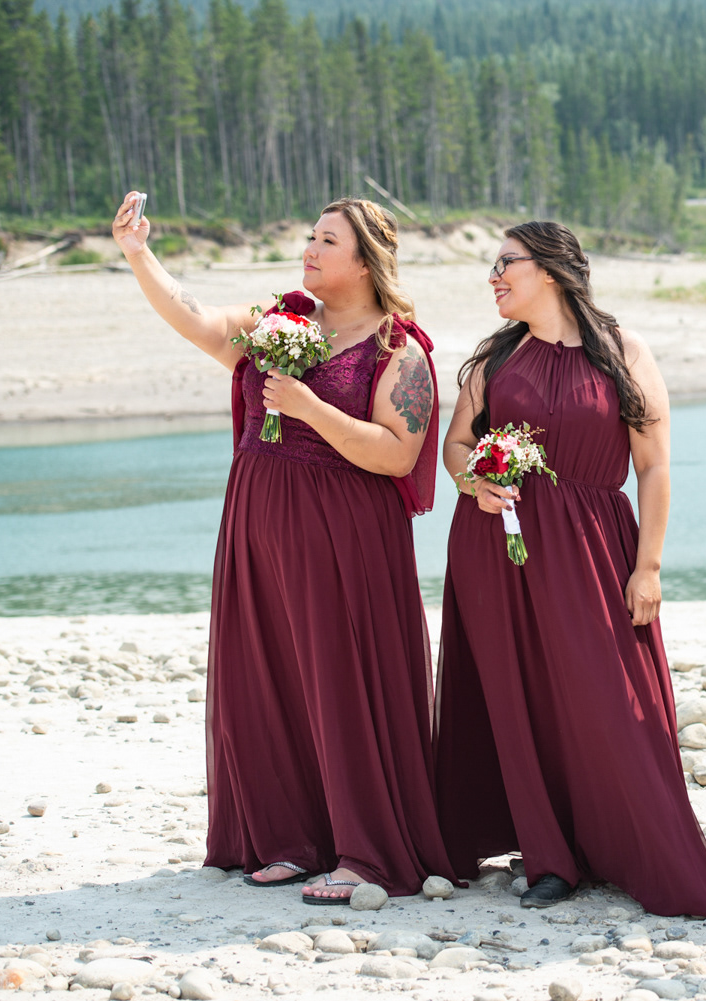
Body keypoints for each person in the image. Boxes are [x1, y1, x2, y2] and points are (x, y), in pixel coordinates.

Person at [111, 194, 455, 903]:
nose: (309, 248)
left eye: (326, 240)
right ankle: (292, 839)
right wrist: (138, 254)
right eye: (310, 235)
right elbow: (201, 323)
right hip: (258, 523)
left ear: (364, 261)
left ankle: (366, 853)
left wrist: (309, 407)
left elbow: (398, 455)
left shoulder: (399, 350)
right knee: (266, 677)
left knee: (341, 684)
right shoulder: (282, 319)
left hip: (344, 537)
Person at [433, 221, 706, 917]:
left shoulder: (622, 350)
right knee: (518, 698)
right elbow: (456, 445)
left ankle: (632, 847)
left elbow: (655, 466)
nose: (493, 275)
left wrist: (650, 567)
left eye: (504, 263)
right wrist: (473, 483)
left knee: (612, 700)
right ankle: (549, 857)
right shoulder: (496, 357)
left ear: (548, 270)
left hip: (593, 546)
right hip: (500, 547)